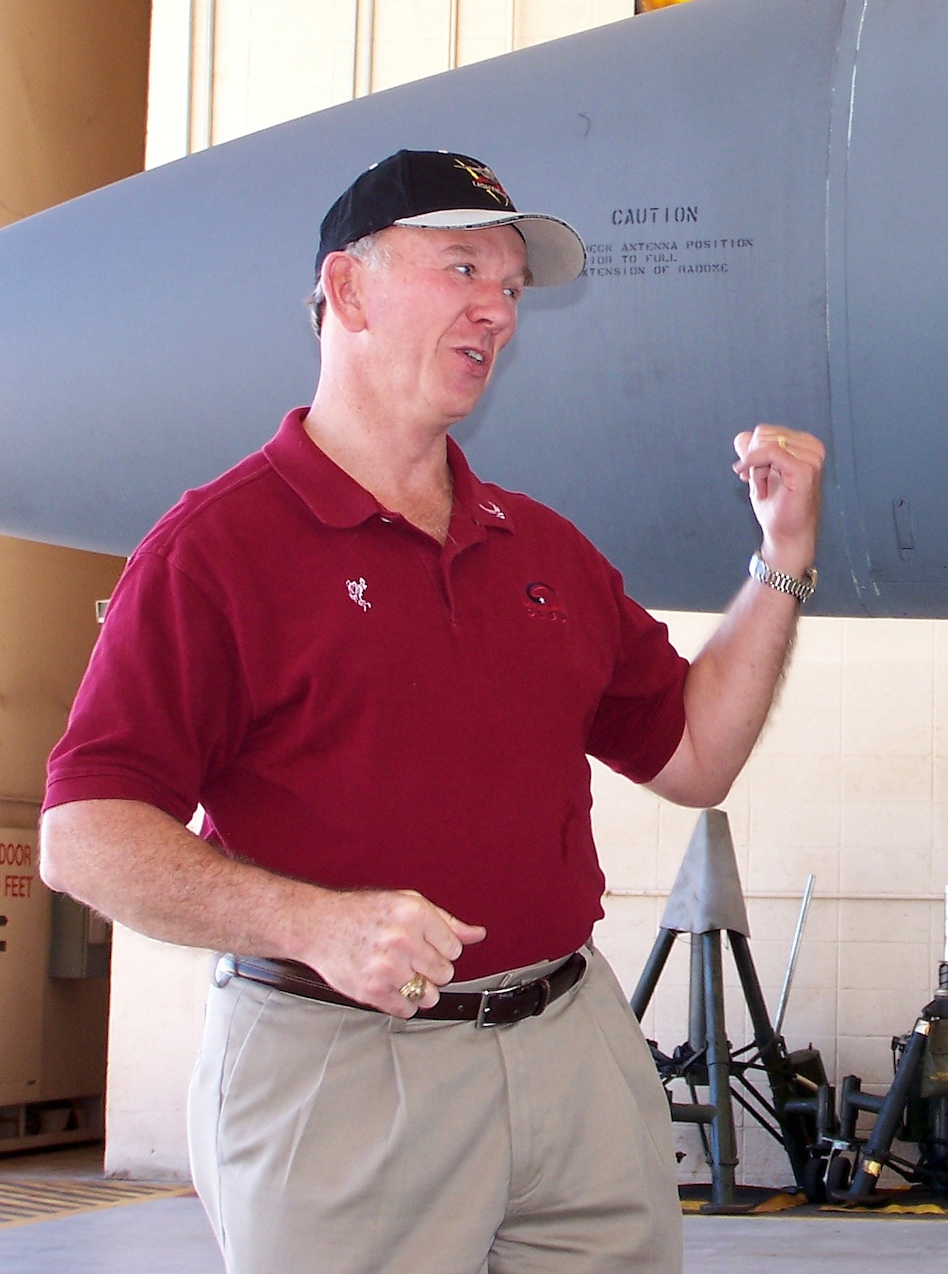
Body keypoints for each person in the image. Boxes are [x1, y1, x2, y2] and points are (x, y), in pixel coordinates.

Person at [39, 150, 826, 1273]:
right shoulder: (215, 552)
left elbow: (696, 755)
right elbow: (83, 836)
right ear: (348, 292)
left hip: (574, 1057)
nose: (496, 310)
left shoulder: (539, 548)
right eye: (463, 268)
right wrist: (313, 925)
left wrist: (780, 560)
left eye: (511, 287)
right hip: (344, 1074)